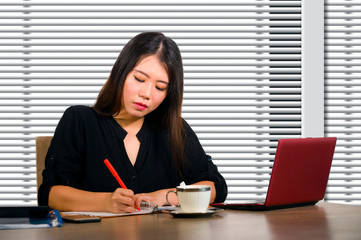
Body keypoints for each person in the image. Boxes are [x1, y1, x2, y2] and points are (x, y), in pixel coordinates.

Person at [38, 32, 227, 213]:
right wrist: (106, 202)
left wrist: (165, 197)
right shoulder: (79, 120)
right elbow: (51, 195)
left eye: (160, 88)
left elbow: (214, 186)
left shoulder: (173, 129)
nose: (146, 94)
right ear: (121, 72)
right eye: (139, 79)